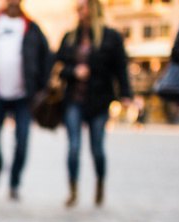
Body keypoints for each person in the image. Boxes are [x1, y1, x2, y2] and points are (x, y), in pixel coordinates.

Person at [57, 0, 131, 208]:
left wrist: (126, 94)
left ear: (94, 8)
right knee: (73, 147)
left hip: (99, 100)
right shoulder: (70, 37)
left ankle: (99, 184)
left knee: (97, 148)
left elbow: (120, 69)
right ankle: (73, 190)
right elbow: (58, 67)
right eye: (78, 8)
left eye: (83, 7)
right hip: (74, 100)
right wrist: (74, 72)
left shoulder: (111, 37)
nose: (79, 12)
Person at [0, 0, 50, 200]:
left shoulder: (32, 27)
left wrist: (41, 88)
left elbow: (46, 58)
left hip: (24, 95)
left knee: (22, 141)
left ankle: (14, 181)